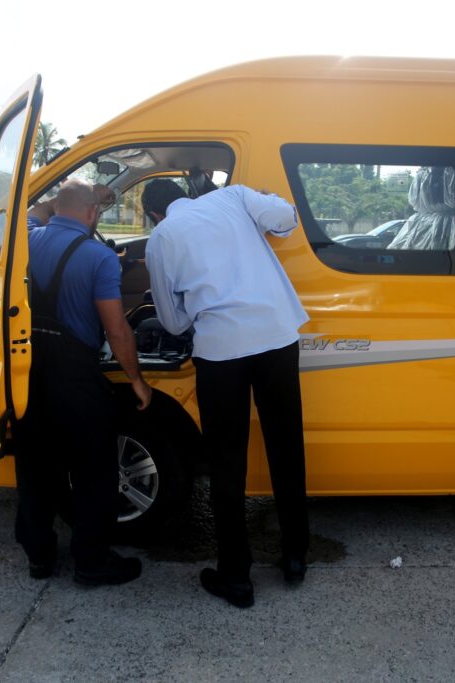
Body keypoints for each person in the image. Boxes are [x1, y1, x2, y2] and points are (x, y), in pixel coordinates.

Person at [142, 179, 310, 609]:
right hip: (276, 336)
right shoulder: (233, 196)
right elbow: (287, 217)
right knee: (286, 446)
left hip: (221, 354)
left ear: (153, 215)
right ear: (187, 193)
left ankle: (236, 576)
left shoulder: (161, 238)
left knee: (227, 462)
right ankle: (295, 557)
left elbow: (173, 321)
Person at [15, 179, 152, 587]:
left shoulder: (26, 240)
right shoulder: (98, 257)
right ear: (92, 214)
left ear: (60, 206)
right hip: (76, 377)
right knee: (94, 470)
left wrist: (64, 198)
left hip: (26, 371)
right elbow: (117, 330)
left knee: (36, 468)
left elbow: (33, 213)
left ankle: (39, 557)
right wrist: (137, 380)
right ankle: (91, 562)